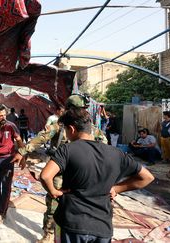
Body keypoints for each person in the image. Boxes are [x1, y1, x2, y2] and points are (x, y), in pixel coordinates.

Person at [40, 108, 154, 243]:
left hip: (71, 223)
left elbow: (45, 176)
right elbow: (147, 177)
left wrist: (53, 191)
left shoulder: (67, 149)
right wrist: (116, 189)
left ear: (71, 129)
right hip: (102, 227)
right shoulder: (116, 153)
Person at [18, 94, 107, 243]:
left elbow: (103, 146)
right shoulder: (60, 126)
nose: (83, 112)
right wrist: (23, 151)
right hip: (59, 173)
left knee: (79, 207)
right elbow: (41, 138)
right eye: (79, 109)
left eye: (83, 109)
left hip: (80, 174)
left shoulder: (90, 129)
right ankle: (49, 234)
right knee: (53, 206)